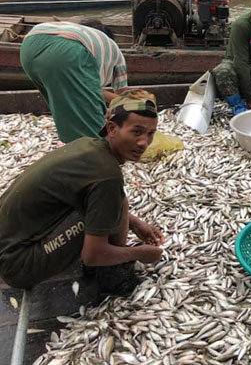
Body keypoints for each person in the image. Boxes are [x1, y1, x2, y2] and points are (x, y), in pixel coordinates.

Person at [0, 91, 164, 296]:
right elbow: (91, 255)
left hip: (9, 242)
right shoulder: (107, 175)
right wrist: (138, 253)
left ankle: (108, 260)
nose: (143, 143)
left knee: (115, 201)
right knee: (111, 204)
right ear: (112, 128)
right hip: (17, 265)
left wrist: (136, 223)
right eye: (136, 132)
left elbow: (106, 203)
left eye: (150, 134)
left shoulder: (87, 145)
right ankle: (110, 274)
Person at [20, 20, 128, 143]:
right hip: (67, 51)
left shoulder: (81, 35)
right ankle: (93, 152)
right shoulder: (115, 51)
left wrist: (107, 111)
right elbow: (123, 100)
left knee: (64, 104)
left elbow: (90, 89)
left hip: (29, 46)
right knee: (92, 128)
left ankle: (73, 148)